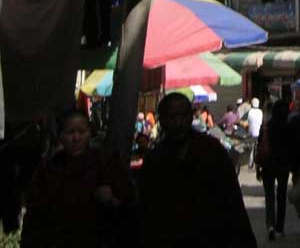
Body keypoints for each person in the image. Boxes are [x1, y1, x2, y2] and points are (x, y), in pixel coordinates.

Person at [141, 91, 256, 248]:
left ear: (190, 118)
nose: (178, 123)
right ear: (162, 121)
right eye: (172, 117)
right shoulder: (155, 160)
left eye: (183, 116)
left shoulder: (211, 151)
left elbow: (232, 200)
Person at [21, 109, 134, 248]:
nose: (76, 138)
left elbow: (127, 207)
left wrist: (111, 199)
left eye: (81, 132)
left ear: (89, 133)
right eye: (70, 132)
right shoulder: (50, 168)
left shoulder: (104, 164)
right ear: (61, 136)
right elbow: (34, 215)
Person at [256, 99, 292, 242]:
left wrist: (258, 167)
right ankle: (280, 227)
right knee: (281, 196)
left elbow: (260, 146)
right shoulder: (288, 127)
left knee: (269, 196)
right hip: (283, 165)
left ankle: (270, 225)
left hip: (268, 165)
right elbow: (292, 148)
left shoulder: (266, 126)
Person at [246, 97, 263, 168]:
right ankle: (258, 164)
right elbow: (261, 122)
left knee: (251, 149)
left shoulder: (250, 111)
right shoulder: (260, 112)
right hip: (259, 133)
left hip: (251, 132)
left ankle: (250, 163)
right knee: (258, 148)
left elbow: (248, 122)